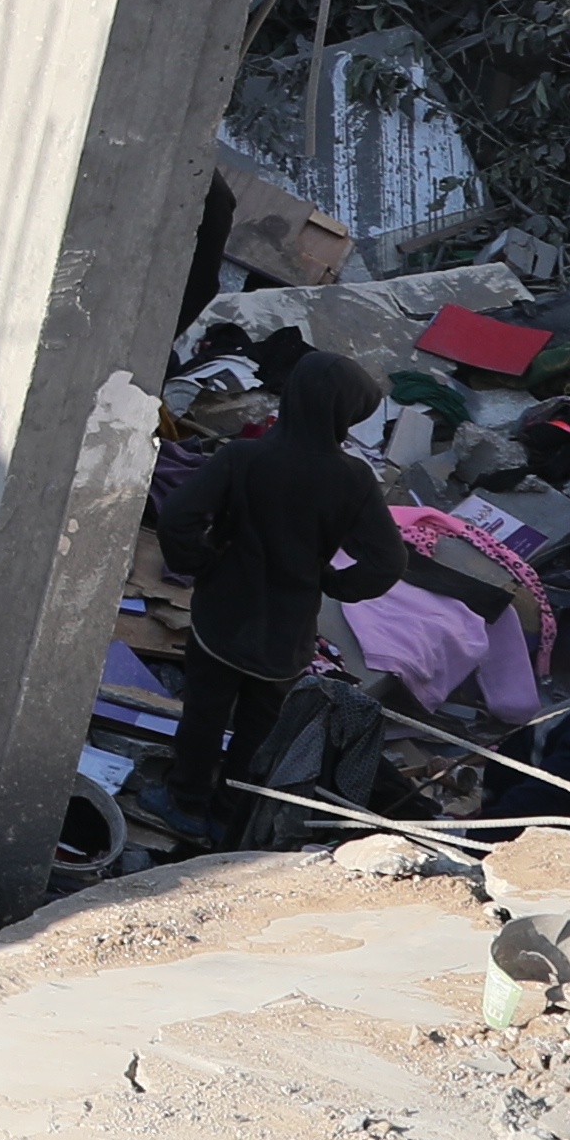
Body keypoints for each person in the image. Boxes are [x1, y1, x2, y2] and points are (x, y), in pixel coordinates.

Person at [146, 346, 403, 834]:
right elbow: (388, 561)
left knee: (203, 715)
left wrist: (201, 563)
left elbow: (179, 518)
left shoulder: (245, 456)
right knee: (258, 731)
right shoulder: (353, 479)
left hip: (222, 617)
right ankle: (228, 818)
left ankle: (184, 802)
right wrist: (333, 582)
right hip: (287, 631)